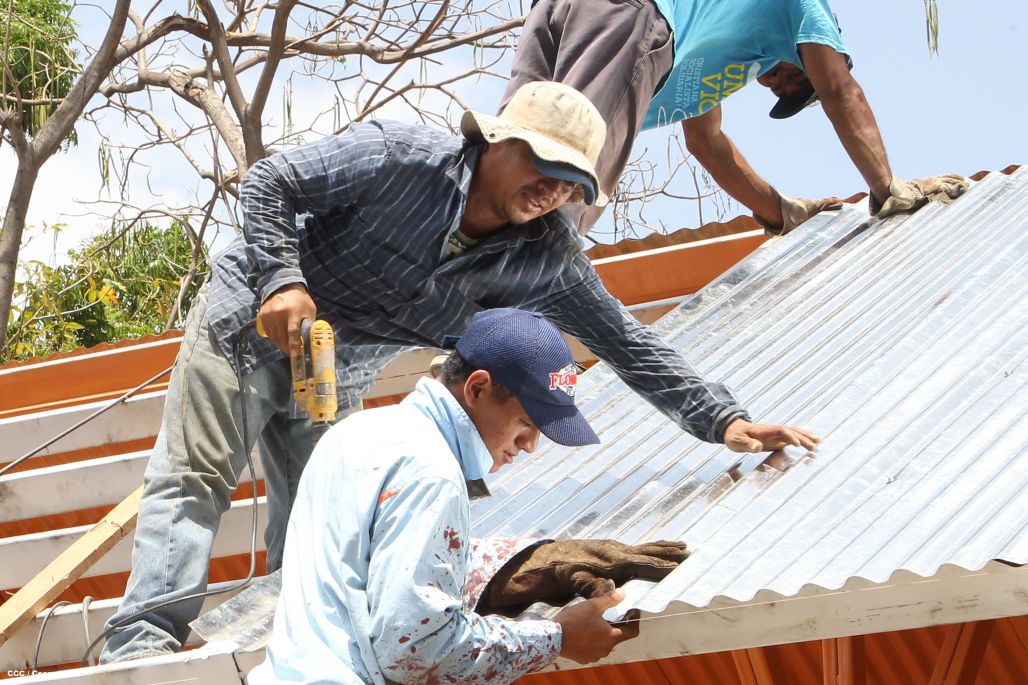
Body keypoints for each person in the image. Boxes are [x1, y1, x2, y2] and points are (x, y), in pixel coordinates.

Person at [101, 80, 819, 663]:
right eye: (544, 167)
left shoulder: (544, 257)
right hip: (247, 324)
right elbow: (269, 184)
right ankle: (139, 651)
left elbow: (625, 339)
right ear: (496, 140)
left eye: (571, 184)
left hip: (333, 373)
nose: (553, 191)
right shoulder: (401, 157)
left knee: (328, 521)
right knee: (196, 476)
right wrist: (282, 280)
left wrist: (722, 418)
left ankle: (302, 655)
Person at [247, 308, 689, 684]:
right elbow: (415, 648)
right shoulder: (431, 470)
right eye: (526, 423)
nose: (531, 444)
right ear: (477, 388)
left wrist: (537, 562)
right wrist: (558, 637)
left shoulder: (358, 433)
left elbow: (376, 561)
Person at [504, 0, 968, 234]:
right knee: (565, 190)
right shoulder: (807, 10)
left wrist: (781, 210)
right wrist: (888, 188)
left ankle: (460, 305)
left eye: (778, 90)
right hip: (627, 12)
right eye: (793, 80)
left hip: (564, 12)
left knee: (505, 163)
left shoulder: (725, 50)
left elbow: (708, 143)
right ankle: (501, 329)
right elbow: (841, 91)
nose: (771, 84)